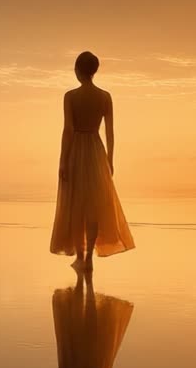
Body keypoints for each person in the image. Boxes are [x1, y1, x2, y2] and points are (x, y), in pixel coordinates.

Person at [50, 51, 135, 271]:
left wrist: (62, 160)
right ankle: (88, 258)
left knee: (77, 205)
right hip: (97, 151)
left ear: (78, 70)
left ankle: (80, 256)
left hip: (76, 151)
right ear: (94, 71)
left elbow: (68, 130)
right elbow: (110, 132)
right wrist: (110, 159)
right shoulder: (105, 96)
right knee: (95, 205)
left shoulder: (70, 96)